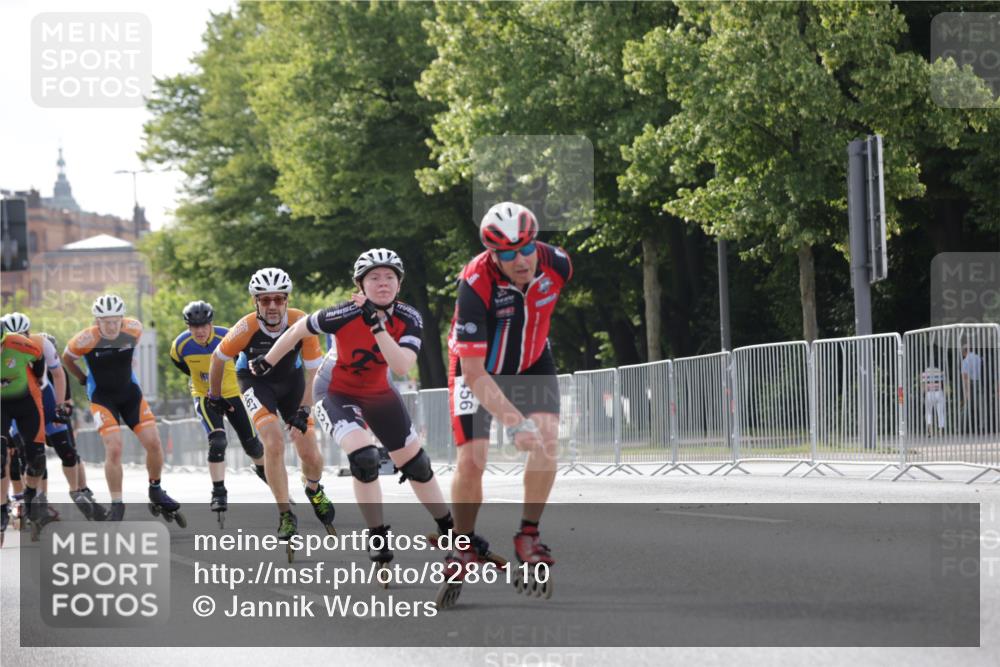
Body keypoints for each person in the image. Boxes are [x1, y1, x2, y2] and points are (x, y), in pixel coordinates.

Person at [254, 249, 453, 568]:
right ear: (360, 285)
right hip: (335, 391)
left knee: (416, 465)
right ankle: (377, 535)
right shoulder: (342, 313)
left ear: (399, 284)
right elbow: (297, 330)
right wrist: (267, 361)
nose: (383, 283)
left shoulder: (409, 318)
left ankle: (449, 529)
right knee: (364, 458)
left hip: (378, 392)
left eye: (390, 277)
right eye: (374, 278)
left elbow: (401, 366)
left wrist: (377, 326)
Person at [440, 202, 572, 606]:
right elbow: (476, 373)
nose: (521, 260)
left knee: (547, 439)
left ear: (536, 242)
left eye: (526, 249)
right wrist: (514, 421)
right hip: (476, 369)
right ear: (493, 255)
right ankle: (462, 543)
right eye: (509, 254)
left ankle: (528, 535)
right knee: (473, 460)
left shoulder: (559, 265)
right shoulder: (475, 283)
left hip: (532, 361)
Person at [209, 268, 333, 542]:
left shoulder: (302, 322)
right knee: (274, 443)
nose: (273, 306)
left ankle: (313, 488)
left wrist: (304, 409)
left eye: (279, 299)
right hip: (255, 383)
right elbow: (218, 359)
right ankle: (285, 513)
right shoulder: (245, 327)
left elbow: (315, 371)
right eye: (265, 300)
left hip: (292, 383)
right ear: (256, 302)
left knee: (309, 452)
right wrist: (214, 397)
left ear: (287, 300)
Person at [62, 295, 183, 524]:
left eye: (115, 320)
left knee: (154, 443)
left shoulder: (134, 329)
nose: (111, 326)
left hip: (130, 394)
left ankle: (155, 489)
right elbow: (67, 359)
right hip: (102, 398)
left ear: (122, 318)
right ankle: (117, 503)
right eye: (105, 321)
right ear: (97, 321)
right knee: (115, 448)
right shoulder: (85, 339)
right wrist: (81, 378)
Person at [170, 300, 268, 521]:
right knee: (218, 442)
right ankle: (218, 492)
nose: (200, 331)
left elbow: (245, 361)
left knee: (252, 445)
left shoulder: (228, 337)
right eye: (195, 327)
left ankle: (264, 471)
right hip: (205, 396)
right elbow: (183, 366)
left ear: (211, 323)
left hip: (234, 394)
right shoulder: (180, 346)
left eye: (204, 325)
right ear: (188, 327)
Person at [2, 312, 104, 520]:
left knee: (67, 451)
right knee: (24, 456)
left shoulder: (41, 345)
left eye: (23, 334)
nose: (19, 339)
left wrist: (61, 405)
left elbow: (59, 375)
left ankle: (78, 491)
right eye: (15, 335)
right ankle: (32, 500)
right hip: (17, 406)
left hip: (44, 401)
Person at [1, 329, 47, 543]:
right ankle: (2, 508)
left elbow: (39, 356)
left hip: (24, 402)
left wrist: (38, 377)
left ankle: (29, 494)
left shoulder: (20, 343)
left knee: (37, 458)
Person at [961, 344, 983, 435]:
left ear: (964, 351)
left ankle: (963, 427)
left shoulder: (965, 361)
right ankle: (982, 426)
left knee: (967, 406)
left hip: (970, 383)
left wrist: (966, 391)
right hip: (979, 383)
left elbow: (965, 377)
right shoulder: (979, 358)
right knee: (980, 406)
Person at [920, 363, 946, 437]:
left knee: (928, 413)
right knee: (940, 413)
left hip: (929, 394)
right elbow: (943, 384)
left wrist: (923, 395)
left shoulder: (924, 374)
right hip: (939, 393)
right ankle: (940, 431)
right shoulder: (939, 373)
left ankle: (930, 431)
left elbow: (923, 386)